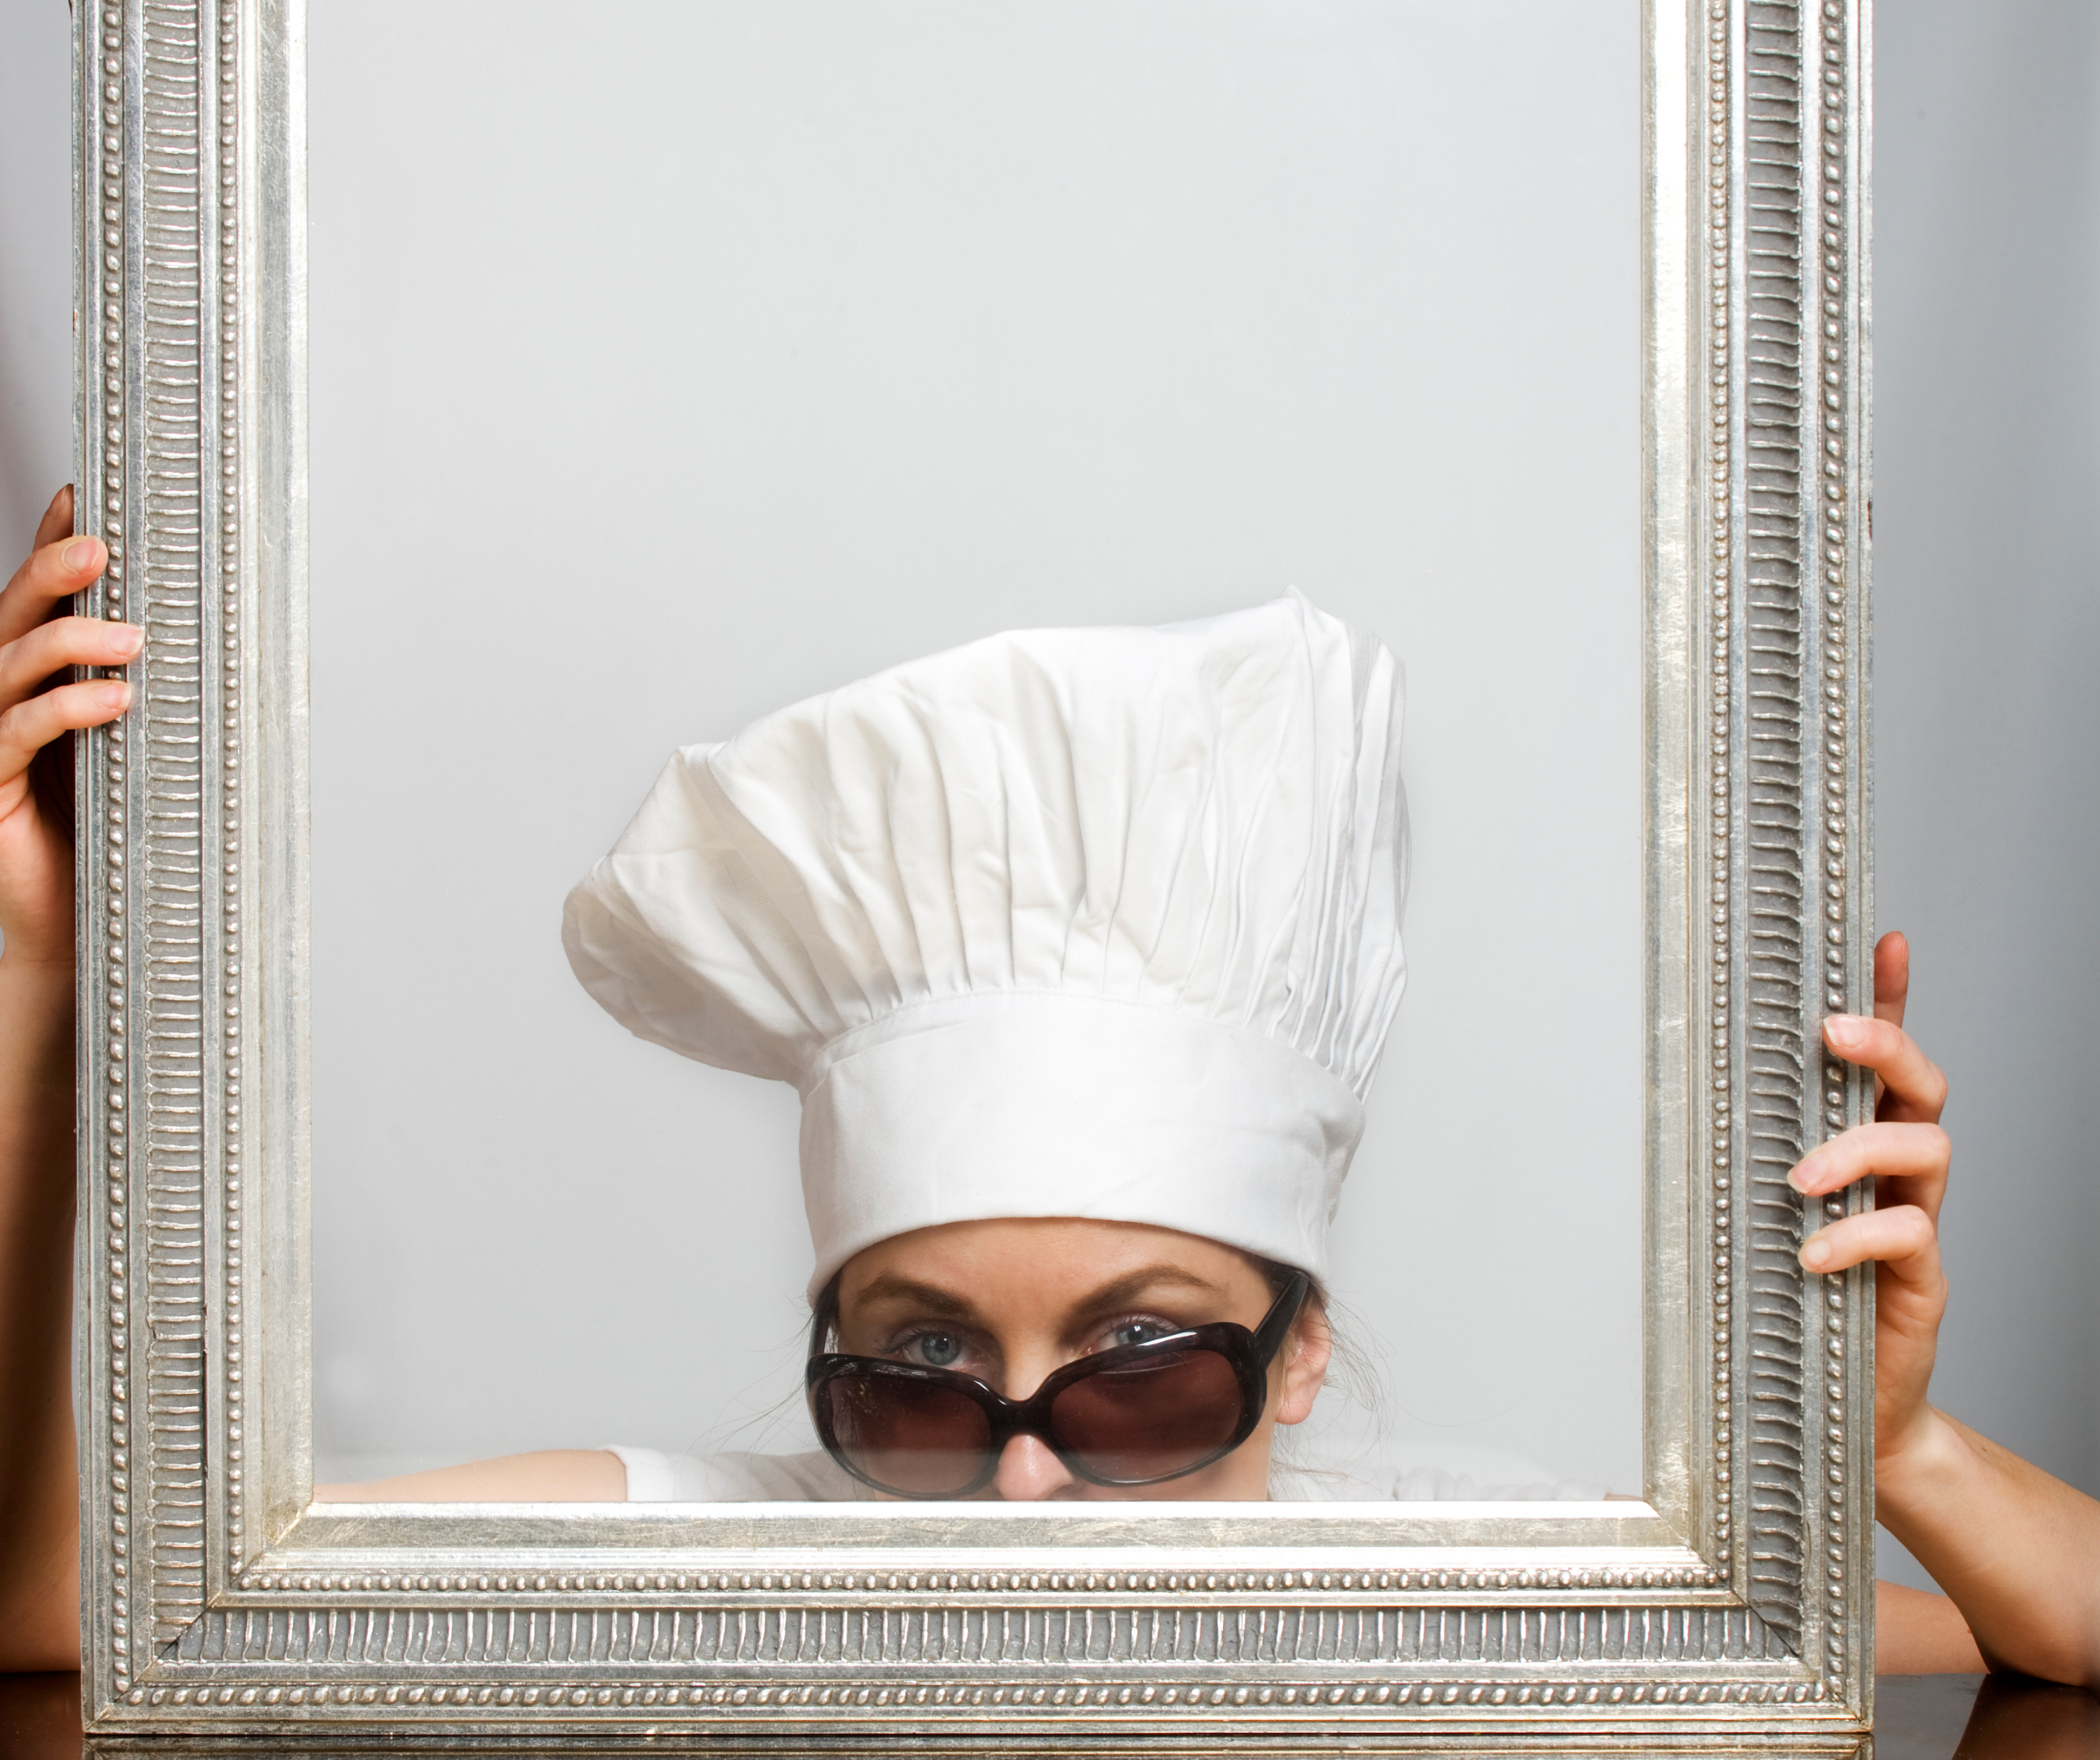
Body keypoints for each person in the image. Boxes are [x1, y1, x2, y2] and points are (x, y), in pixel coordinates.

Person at [0, 487, 2094, 1684]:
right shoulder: (716, 1558)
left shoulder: (1453, 1580)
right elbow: (57, 1605)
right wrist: (31, 984)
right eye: (915, 1374)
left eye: (1144, 1372)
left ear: (1298, 1357)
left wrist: (1900, 1452)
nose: (1021, 1485)